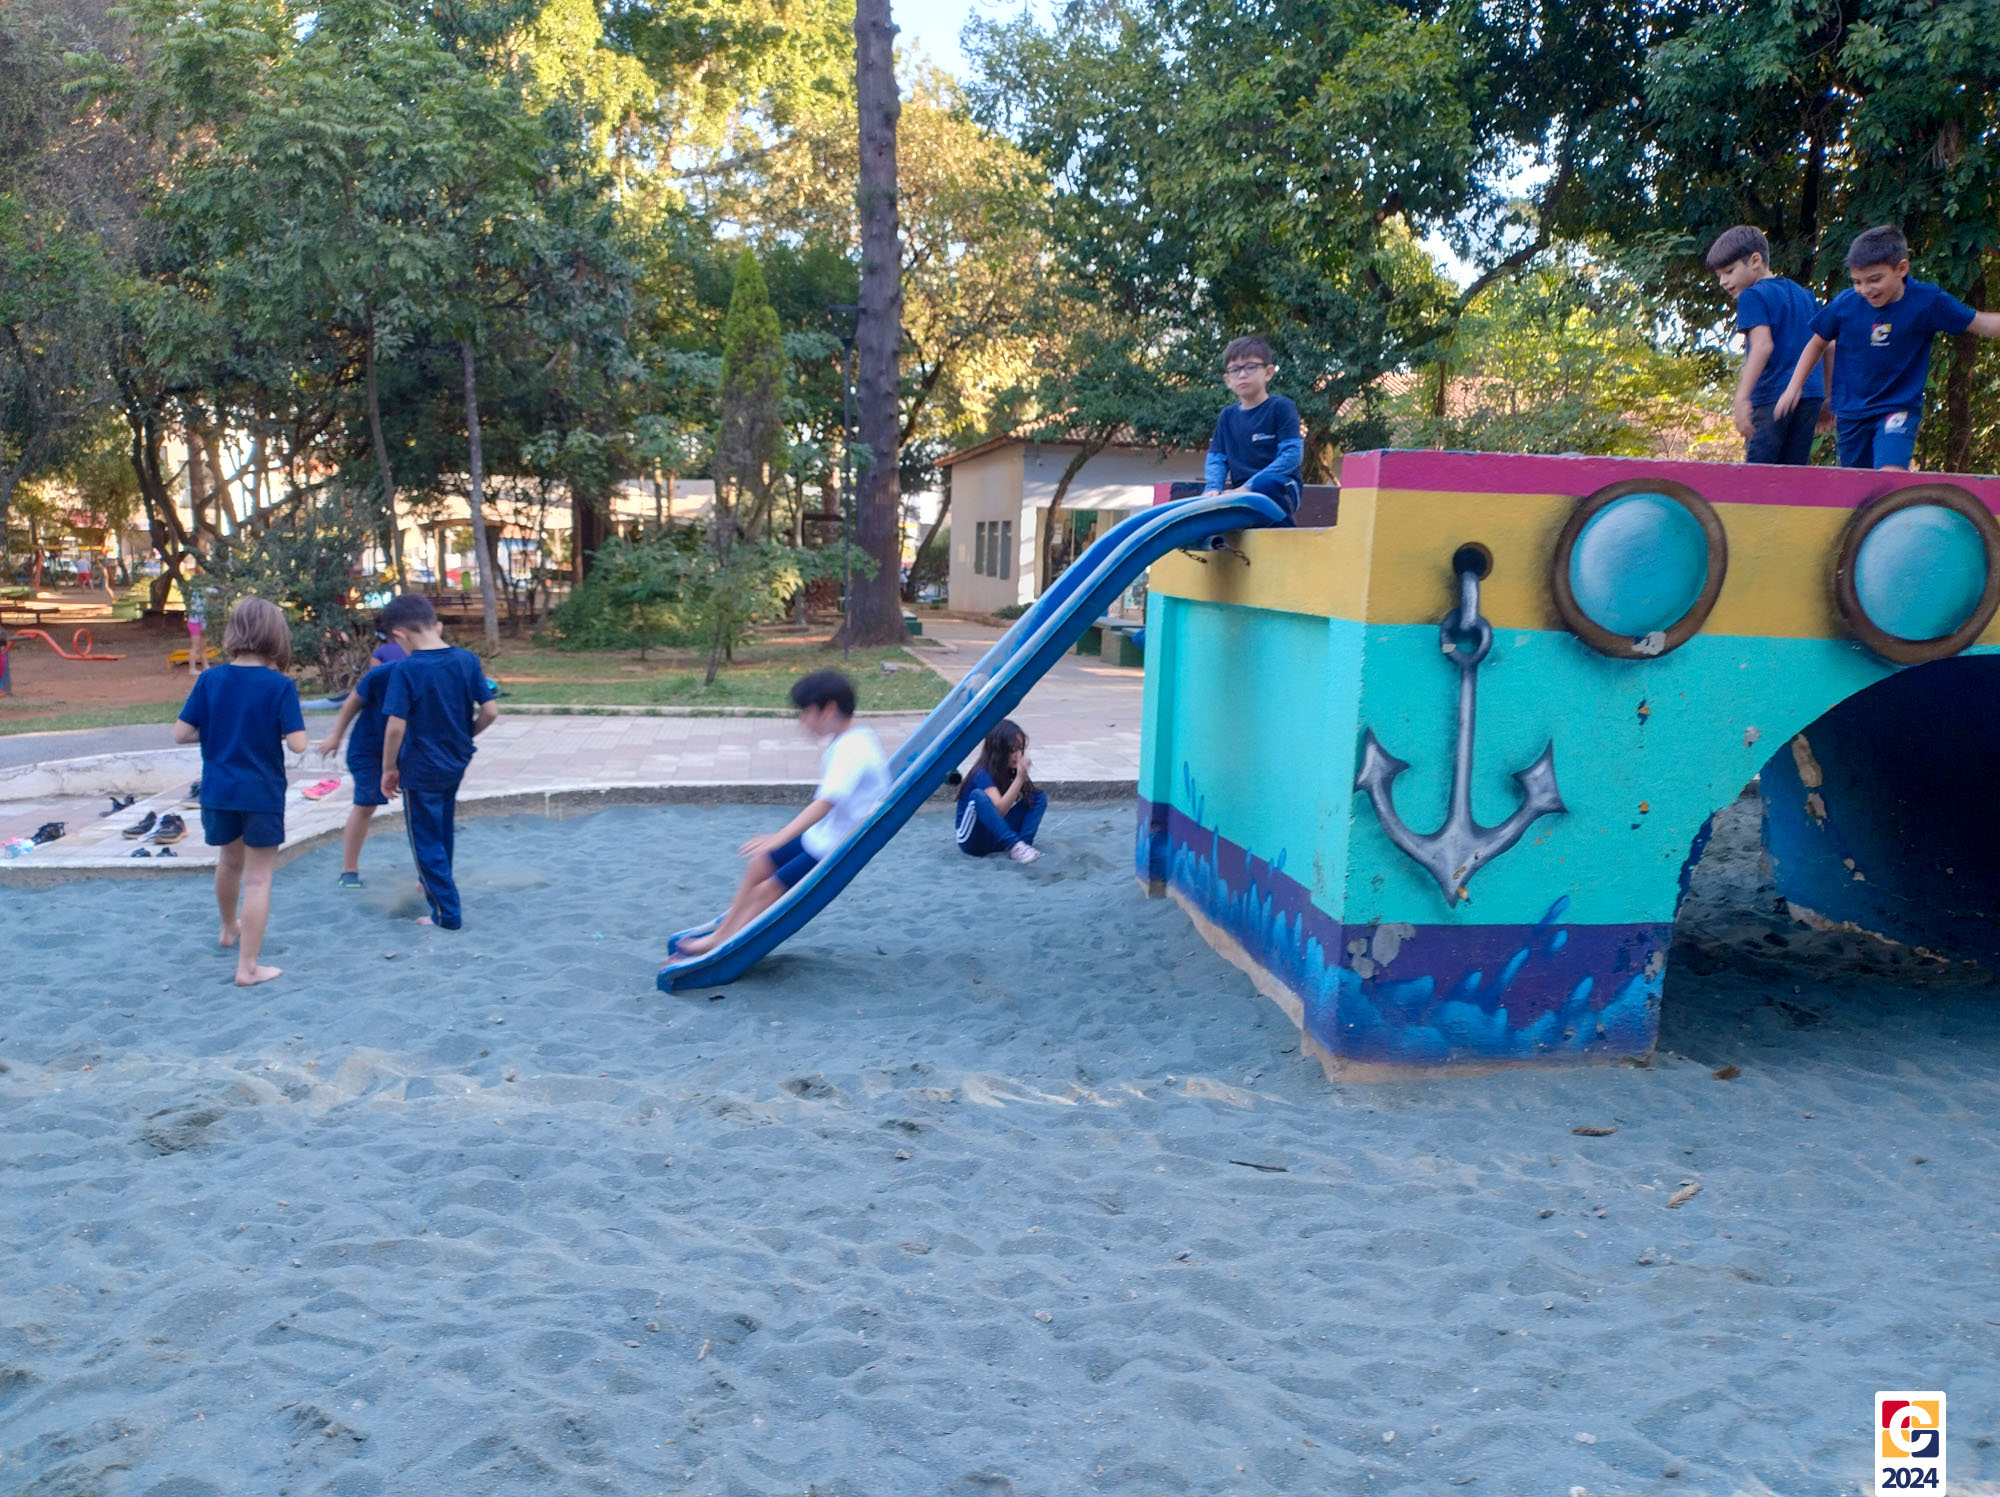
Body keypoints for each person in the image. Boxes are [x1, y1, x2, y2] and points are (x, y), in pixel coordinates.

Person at [669, 670, 889, 961]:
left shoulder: (852, 749)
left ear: (829, 709)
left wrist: (779, 837)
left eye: (806, 712)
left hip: (836, 845)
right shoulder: (853, 737)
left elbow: (826, 803)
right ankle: (722, 931)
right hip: (823, 834)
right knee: (759, 863)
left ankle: (724, 942)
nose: (803, 721)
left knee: (767, 890)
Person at [1776, 225, 2000, 470]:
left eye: (1875, 280)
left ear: (1901, 268)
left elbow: (1981, 322)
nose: (1865, 289)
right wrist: (1794, 387)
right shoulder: (1846, 304)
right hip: (1852, 412)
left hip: (1897, 409)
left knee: (1890, 474)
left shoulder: (1927, 301)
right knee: (1857, 483)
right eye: (1857, 281)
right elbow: (1817, 343)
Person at [171, 595, 308, 987]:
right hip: (261, 794)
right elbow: (298, 744)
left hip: (218, 792)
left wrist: (220, 731)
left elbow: (181, 733)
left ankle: (228, 926)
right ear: (276, 637)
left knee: (228, 863)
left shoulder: (210, 679)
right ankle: (248, 968)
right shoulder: (280, 686)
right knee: (258, 879)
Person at [376, 593, 497, 928]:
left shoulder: (407, 669)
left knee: (425, 838)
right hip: (456, 761)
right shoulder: (467, 660)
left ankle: (446, 914)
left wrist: (389, 768)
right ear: (436, 625)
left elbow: (395, 728)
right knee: (442, 827)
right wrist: (466, 735)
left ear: (399, 634)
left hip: (420, 767)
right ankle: (430, 883)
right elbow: (490, 711)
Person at [1705, 224, 1830, 464]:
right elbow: (1829, 346)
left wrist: (1741, 397)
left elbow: (1762, 345)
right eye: (1719, 275)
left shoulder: (1752, 295)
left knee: (1758, 477)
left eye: (1729, 271)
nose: (1722, 281)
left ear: (1755, 261)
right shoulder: (1805, 296)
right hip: (1810, 398)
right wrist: (1827, 397)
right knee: (1792, 477)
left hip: (1771, 397)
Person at [314, 622, 402, 888]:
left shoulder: (431, 673)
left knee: (419, 802)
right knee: (365, 804)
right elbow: (353, 701)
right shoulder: (384, 673)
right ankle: (348, 870)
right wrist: (335, 735)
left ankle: (427, 870)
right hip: (368, 749)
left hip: (405, 749)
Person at [1199, 335, 1302, 517]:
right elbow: (1216, 458)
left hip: (1279, 487)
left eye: (1250, 367)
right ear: (1228, 380)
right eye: (1235, 369)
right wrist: (1213, 488)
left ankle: (1282, 526)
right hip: (1240, 493)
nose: (1242, 374)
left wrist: (1249, 487)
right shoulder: (1227, 416)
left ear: (1268, 373)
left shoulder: (1281, 407)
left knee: (1265, 484)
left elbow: (1292, 454)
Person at [955, 719, 1047, 864]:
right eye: (1012, 750)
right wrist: (1019, 779)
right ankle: (1016, 846)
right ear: (998, 751)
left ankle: (1024, 846)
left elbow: (1023, 800)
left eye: (1020, 749)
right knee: (978, 795)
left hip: (996, 837)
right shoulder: (982, 773)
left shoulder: (1009, 771)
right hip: (972, 841)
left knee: (1037, 796)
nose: (1017, 755)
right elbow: (999, 810)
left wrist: (1020, 778)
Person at [184, 580, 207, 676]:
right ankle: (192, 669)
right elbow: (199, 610)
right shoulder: (198, 593)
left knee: (203, 646)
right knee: (195, 646)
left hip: (202, 622)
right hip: (195, 622)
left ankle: (205, 666)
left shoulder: (205, 591)